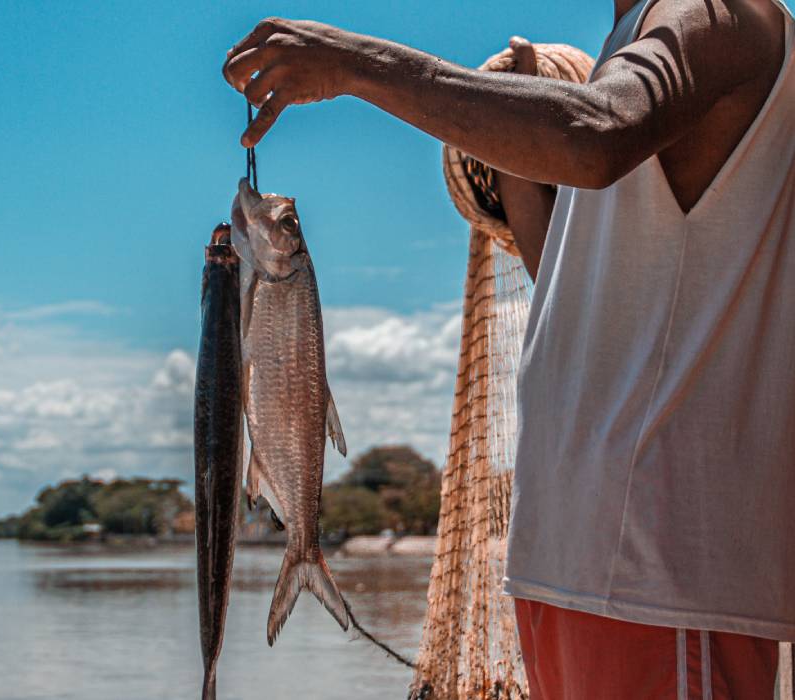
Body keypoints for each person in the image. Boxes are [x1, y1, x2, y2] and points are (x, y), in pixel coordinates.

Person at [223, 1, 794, 697]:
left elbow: (594, 134)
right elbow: (564, 280)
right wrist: (518, 147)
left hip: (661, 574)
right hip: (560, 561)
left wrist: (356, 64)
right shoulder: (631, 37)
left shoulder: (715, 15)